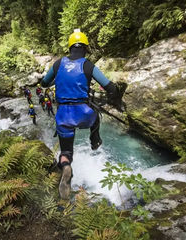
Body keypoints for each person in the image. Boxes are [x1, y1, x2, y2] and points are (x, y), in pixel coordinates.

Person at [41, 29, 121, 200]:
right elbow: (109, 87)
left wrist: (56, 79)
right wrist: (117, 91)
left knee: (66, 151)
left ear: (70, 48)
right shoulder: (87, 65)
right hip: (84, 114)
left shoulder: (57, 64)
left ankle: (66, 165)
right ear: (85, 48)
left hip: (63, 115)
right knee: (96, 117)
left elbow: (44, 83)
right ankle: (94, 141)